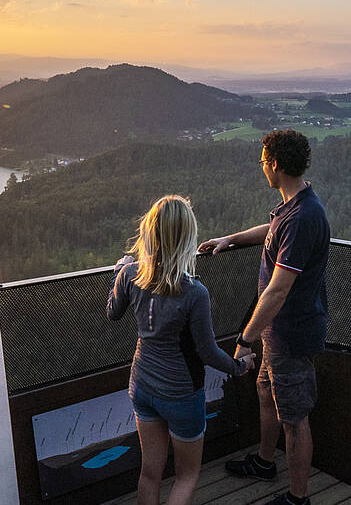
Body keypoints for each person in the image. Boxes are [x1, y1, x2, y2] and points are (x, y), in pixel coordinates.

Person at [199, 130, 329, 505]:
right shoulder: (294, 205)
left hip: (291, 332)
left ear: (274, 164)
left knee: (295, 417)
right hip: (278, 333)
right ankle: (265, 461)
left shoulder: (304, 216)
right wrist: (231, 239)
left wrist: (244, 339)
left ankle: (297, 498)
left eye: (262, 161)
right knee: (265, 390)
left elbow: (278, 289)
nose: (261, 168)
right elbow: (272, 232)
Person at [107, 195, 257, 505]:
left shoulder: (130, 274)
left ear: (149, 233)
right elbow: (207, 352)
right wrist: (239, 367)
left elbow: (112, 312)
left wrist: (119, 273)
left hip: (143, 385)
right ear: (187, 237)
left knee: (150, 473)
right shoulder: (194, 292)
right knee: (186, 476)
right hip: (181, 394)